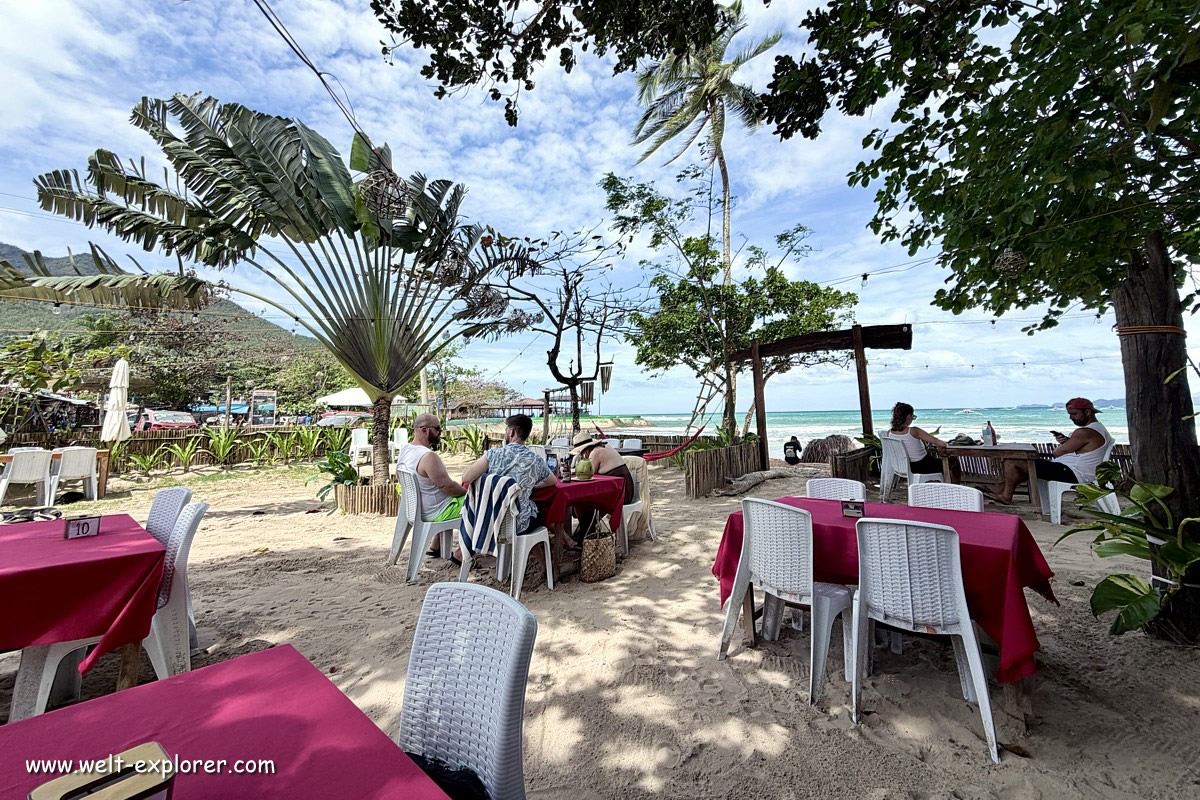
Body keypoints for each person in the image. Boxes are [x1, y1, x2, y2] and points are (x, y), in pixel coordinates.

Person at [986, 398, 1113, 504]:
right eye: (1069, 414)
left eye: (1074, 414)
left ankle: (1005, 495)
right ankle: (1001, 489)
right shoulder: (1098, 429)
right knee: (1023, 466)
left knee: (1012, 461)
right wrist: (1068, 442)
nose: (1071, 417)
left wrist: (1066, 444)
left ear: (1087, 412)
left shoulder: (1085, 432)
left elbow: (1057, 452)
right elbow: (1083, 449)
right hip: (1079, 472)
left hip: (1073, 472)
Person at [461, 414, 556, 538]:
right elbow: (552, 481)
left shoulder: (493, 455)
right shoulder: (536, 460)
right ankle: (540, 548)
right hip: (519, 524)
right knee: (539, 510)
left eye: (506, 430)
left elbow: (466, 478)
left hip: (489, 522)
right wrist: (531, 485)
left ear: (511, 432)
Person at [396, 413, 466, 558]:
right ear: (425, 430)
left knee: (448, 496)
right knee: (478, 503)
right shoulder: (428, 457)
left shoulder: (405, 450)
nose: (441, 432)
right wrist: (467, 491)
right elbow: (449, 488)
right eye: (438, 428)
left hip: (417, 509)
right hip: (436, 512)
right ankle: (462, 553)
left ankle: (436, 545)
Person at [568, 431, 636, 542]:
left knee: (584, 503)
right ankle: (586, 532)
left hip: (621, 493)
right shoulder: (604, 447)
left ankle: (586, 534)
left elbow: (587, 475)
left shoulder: (595, 453)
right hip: (623, 488)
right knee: (584, 503)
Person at [886, 402, 961, 482]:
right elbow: (941, 443)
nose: (912, 419)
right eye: (912, 416)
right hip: (922, 466)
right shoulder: (914, 431)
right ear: (908, 416)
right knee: (953, 462)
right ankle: (954, 486)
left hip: (904, 467)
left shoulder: (889, 433)